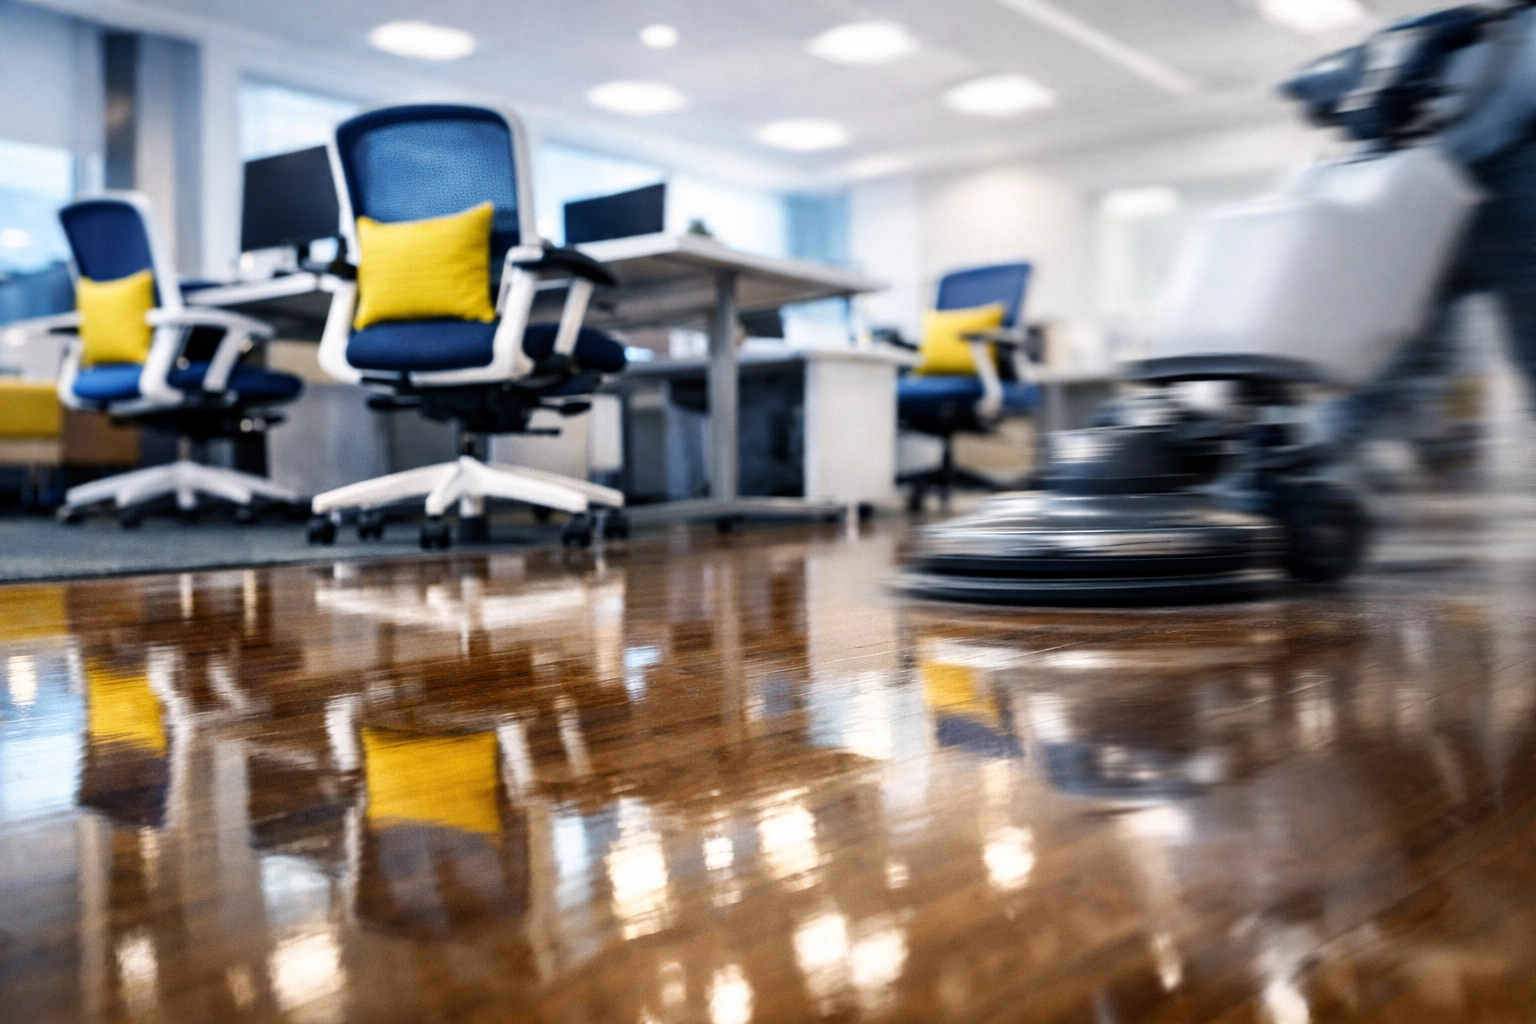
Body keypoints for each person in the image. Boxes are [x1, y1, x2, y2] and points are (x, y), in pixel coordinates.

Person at [1331, 3, 1536, 452]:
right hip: (1515, 187)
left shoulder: (1474, 36)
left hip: (1434, 191)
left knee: (1389, 350)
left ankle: (1310, 458)